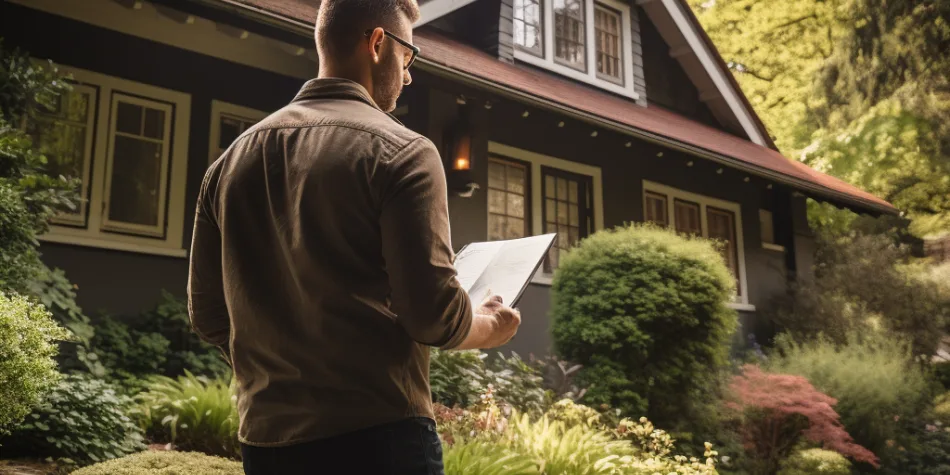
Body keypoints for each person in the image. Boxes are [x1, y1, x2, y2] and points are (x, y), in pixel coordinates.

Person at [186, 0, 521, 473]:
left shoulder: (229, 163)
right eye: (408, 57)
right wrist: (492, 327)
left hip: (266, 443)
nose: (408, 76)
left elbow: (208, 315)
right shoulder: (403, 152)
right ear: (379, 43)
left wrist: (280, 371)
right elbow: (432, 316)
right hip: (377, 440)